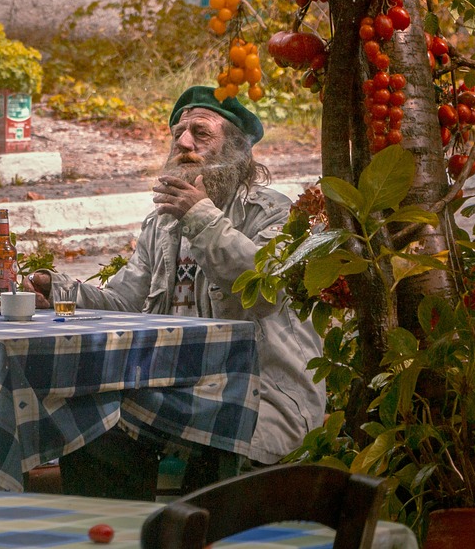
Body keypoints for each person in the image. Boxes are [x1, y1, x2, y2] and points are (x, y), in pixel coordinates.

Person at [28, 85, 326, 499]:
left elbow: (263, 291)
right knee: (89, 420)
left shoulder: (274, 213)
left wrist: (201, 216)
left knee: (147, 423)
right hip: (175, 389)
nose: (183, 142)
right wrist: (58, 293)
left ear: (237, 149)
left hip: (261, 395)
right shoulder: (162, 224)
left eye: (200, 133)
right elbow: (126, 303)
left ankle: (186, 532)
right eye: (178, 133)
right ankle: (118, 535)